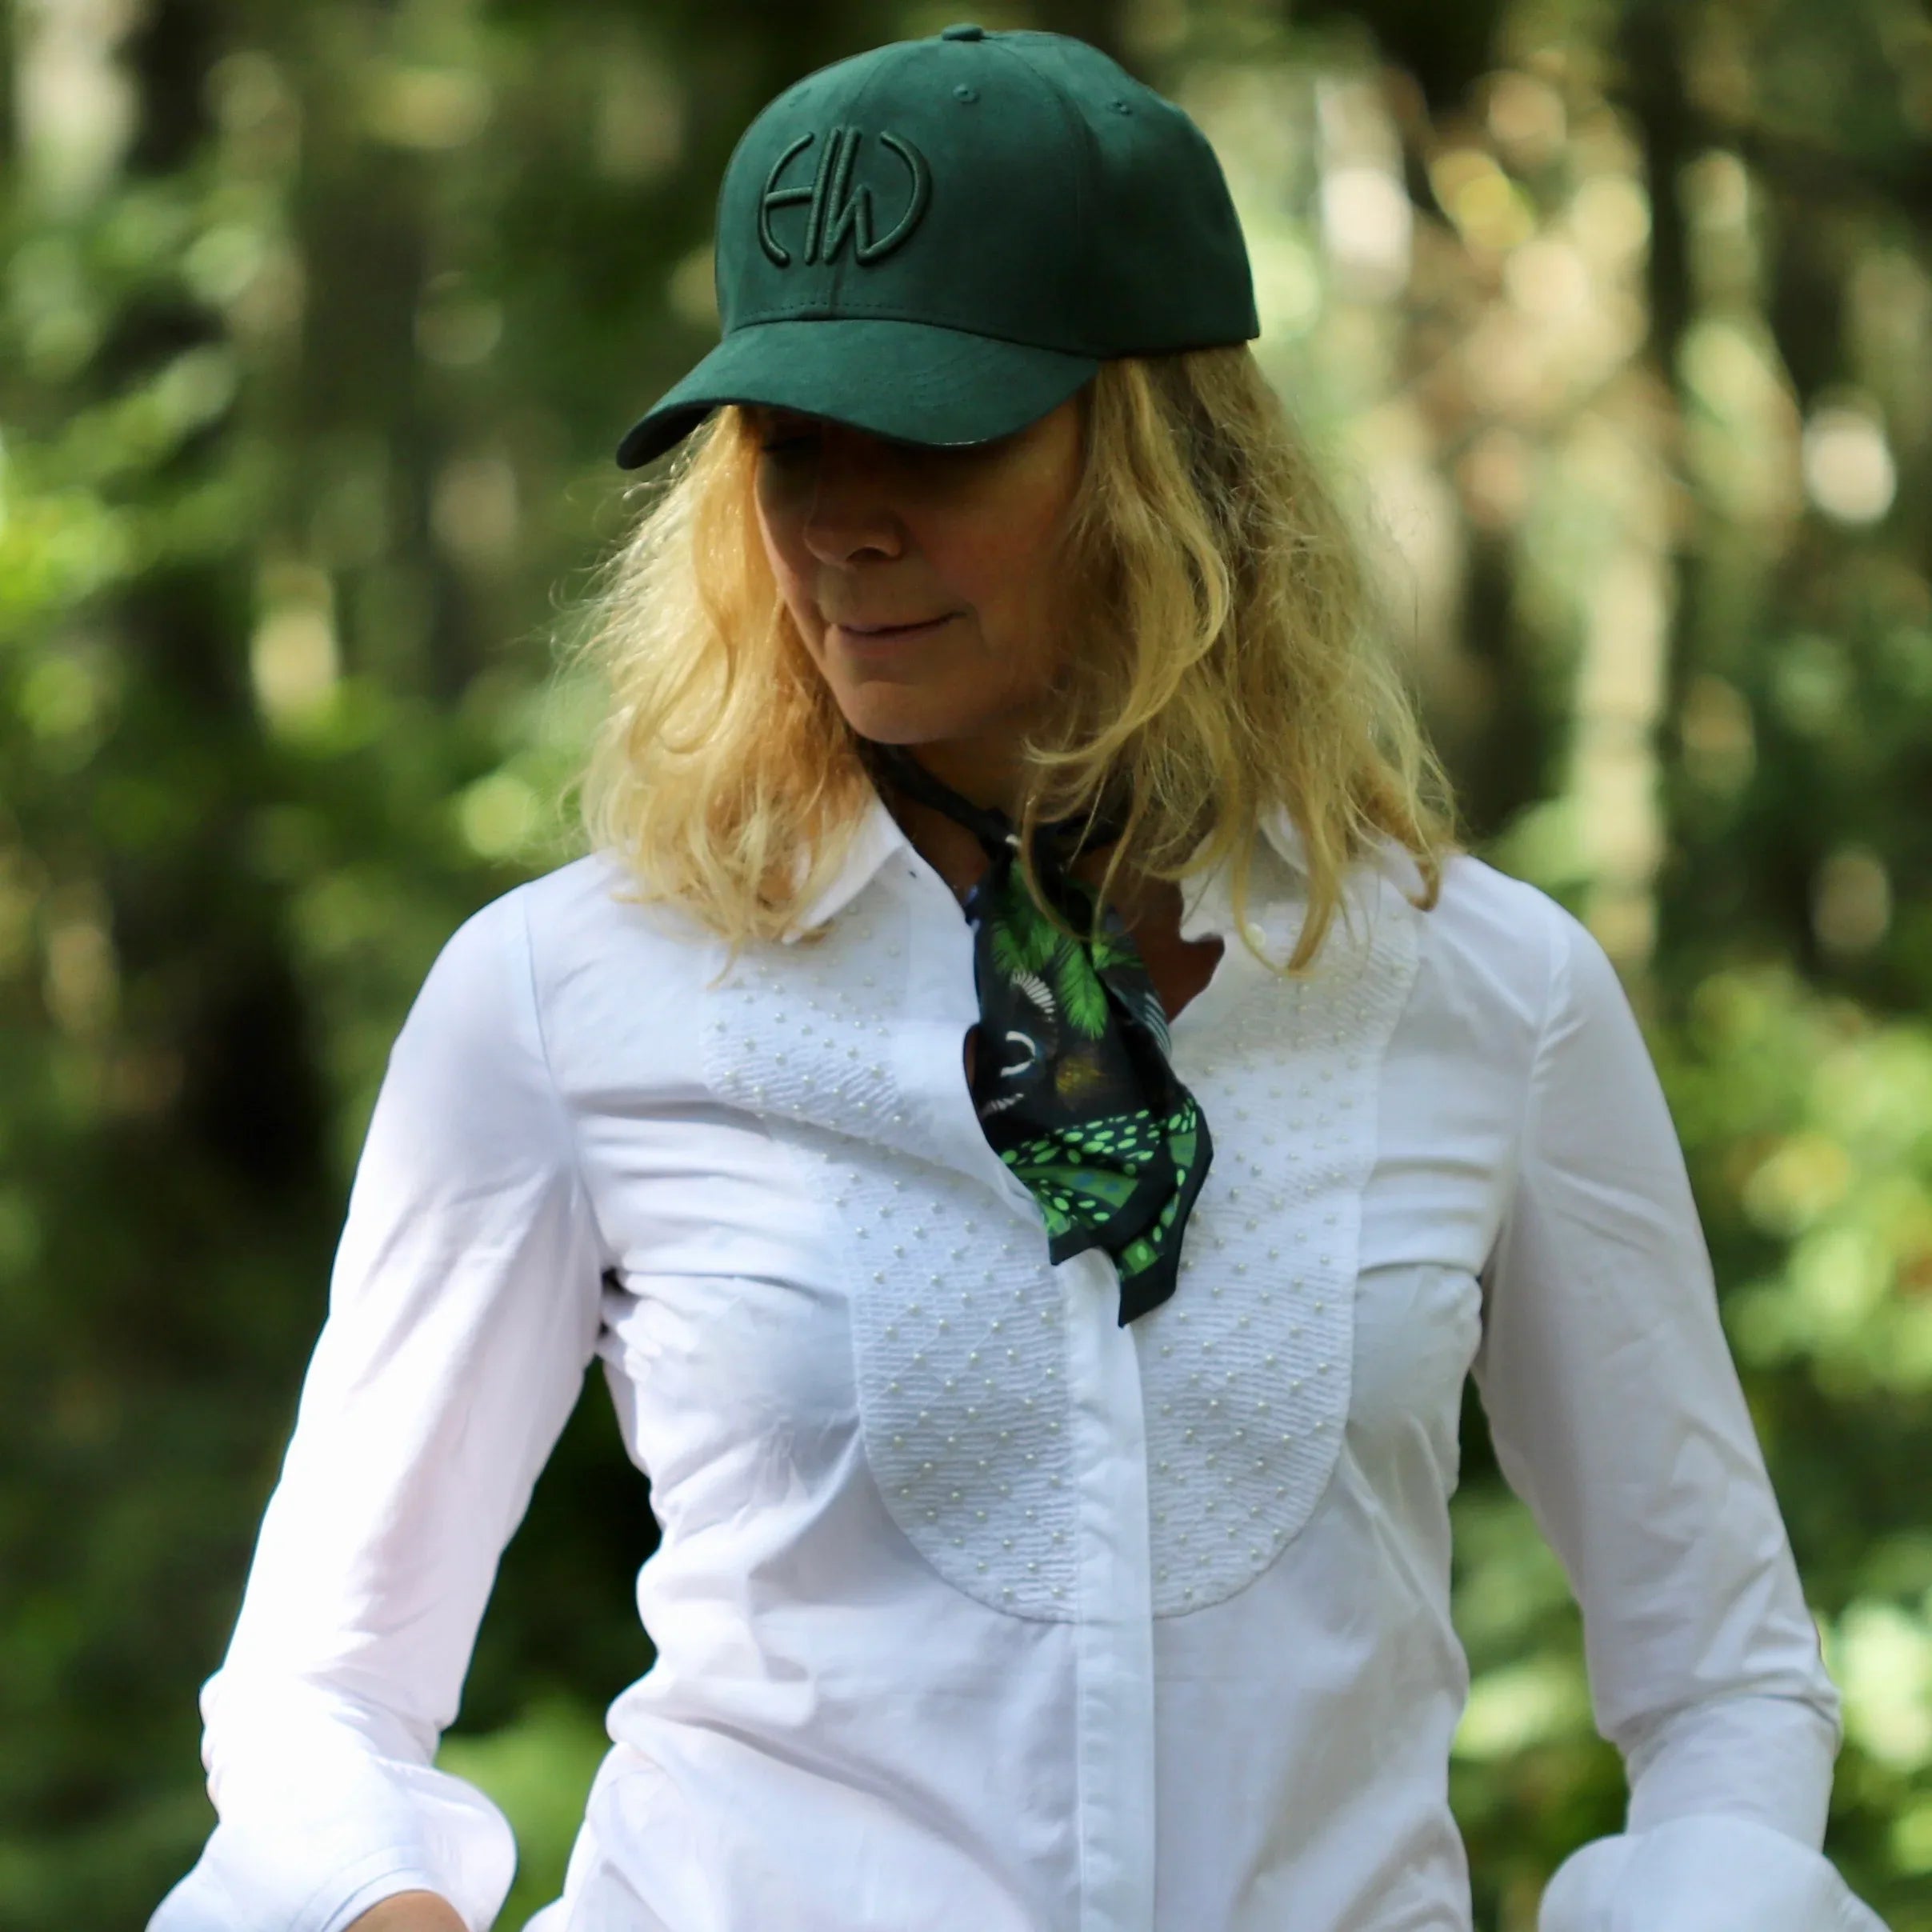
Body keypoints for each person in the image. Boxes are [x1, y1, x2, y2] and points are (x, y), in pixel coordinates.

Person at [150, 24, 1891, 1932]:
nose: (841, 521)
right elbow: (317, 1689)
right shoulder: (568, 994)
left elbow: (1722, 1681)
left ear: (1163, 458)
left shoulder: (1488, 991)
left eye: (934, 434)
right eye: (789, 444)